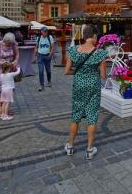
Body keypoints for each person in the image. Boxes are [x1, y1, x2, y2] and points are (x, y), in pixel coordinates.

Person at [64, 25, 108, 159]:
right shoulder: (100, 53)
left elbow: (67, 71)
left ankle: (70, 146)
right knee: (92, 116)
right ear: (94, 36)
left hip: (78, 86)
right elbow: (103, 75)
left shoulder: (72, 50)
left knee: (76, 115)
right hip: (93, 87)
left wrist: (78, 73)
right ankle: (89, 149)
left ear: (84, 36)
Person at [0, 33, 19, 117]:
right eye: (8, 43)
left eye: (10, 43)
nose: (9, 44)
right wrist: (3, 63)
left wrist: (15, 61)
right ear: (5, 40)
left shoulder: (13, 44)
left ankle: (6, 109)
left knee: (8, 88)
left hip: (9, 69)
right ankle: (0, 108)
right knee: (0, 90)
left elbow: (17, 54)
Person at [34, 27, 55, 92]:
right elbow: (36, 47)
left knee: (48, 70)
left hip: (47, 56)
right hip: (40, 56)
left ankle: (49, 81)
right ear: (41, 32)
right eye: (44, 31)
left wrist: (50, 55)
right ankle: (41, 85)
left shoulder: (50, 37)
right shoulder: (39, 38)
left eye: (46, 31)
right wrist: (35, 56)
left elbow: (52, 47)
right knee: (40, 71)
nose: (46, 32)